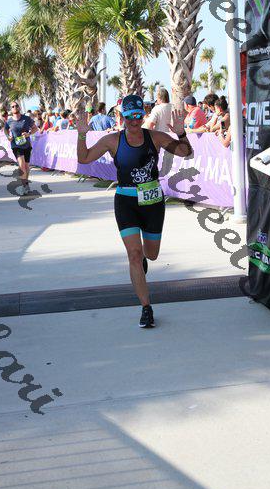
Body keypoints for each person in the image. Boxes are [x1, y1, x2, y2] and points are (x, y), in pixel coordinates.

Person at [76, 93, 193, 328]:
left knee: (151, 254)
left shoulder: (155, 137)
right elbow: (84, 158)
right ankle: (146, 308)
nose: (134, 121)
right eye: (129, 116)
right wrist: (81, 134)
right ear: (122, 117)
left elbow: (185, 152)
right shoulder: (112, 141)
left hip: (152, 203)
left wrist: (181, 133)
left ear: (143, 115)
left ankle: (144, 260)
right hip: (126, 202)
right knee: (133, 255)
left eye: (138, 115)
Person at [4, 101, 38, 195]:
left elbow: (35, 128)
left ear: (19, 107)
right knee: (22, 165)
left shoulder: (26, 118)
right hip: (16, 146)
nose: (15, 107)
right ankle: (24, 186)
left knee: (26, 166)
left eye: (16, 106)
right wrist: (8, 136)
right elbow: (5, 129)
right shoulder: (9, 121)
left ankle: (26, 184)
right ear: (11, 109)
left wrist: (28, 134)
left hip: (26, 145)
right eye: (12, 106)